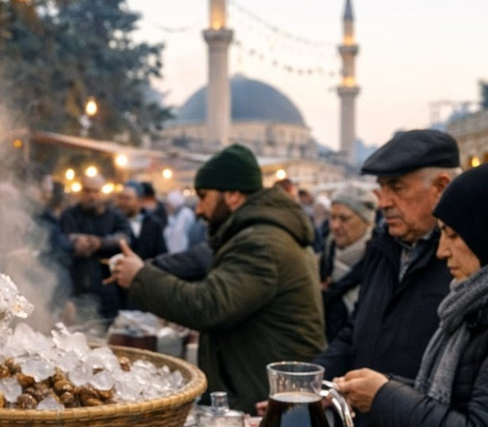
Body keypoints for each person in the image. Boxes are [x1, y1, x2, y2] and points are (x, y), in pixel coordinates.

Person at [109, 143, 326, 414]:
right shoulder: (256, 234)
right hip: (263, 393)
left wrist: (140, 277)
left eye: (204, 197)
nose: (199, 209)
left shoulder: (261, 243)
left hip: (267, 402)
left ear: (232, 195)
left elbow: (209, 305)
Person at [334, 162, 488, 426]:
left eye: (453, 235)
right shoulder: (479, 303)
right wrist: (383, 387)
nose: (441, 251)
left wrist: (383, 396)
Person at [302, 129, 460, 427]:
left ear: (441, 187)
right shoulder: (383, 248)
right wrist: (311, 382)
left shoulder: (462, 261)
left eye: (396, 188)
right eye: (382, 188)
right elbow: (356, 332)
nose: (383, 202)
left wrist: (388, 397)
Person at [60, 174, 132, 320]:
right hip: (75, 286)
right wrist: (74, 241)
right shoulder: (69, 215)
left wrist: (102, 243)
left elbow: (125, 237)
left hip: (106, 287)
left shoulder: (114, 216)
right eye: (87, 191)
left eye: (96, 191)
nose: (92, 196)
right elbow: (58, 240)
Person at [320, 184, 377, 341]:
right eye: (332, 217)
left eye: (344, 218)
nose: (335, 226)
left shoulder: (380, 262)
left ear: (367, 222)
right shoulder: (323, 259)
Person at [115, 181, 167, 260]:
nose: (123, 202)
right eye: (121, 198)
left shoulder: (153, 224)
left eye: (127, 198)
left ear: (140, 201)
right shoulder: (113, 221)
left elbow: (161, 253)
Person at [163, 189, 197, 253]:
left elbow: (179, 236)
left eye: (168, 204)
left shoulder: (185, 214)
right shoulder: (173, 216)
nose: (166, 207)